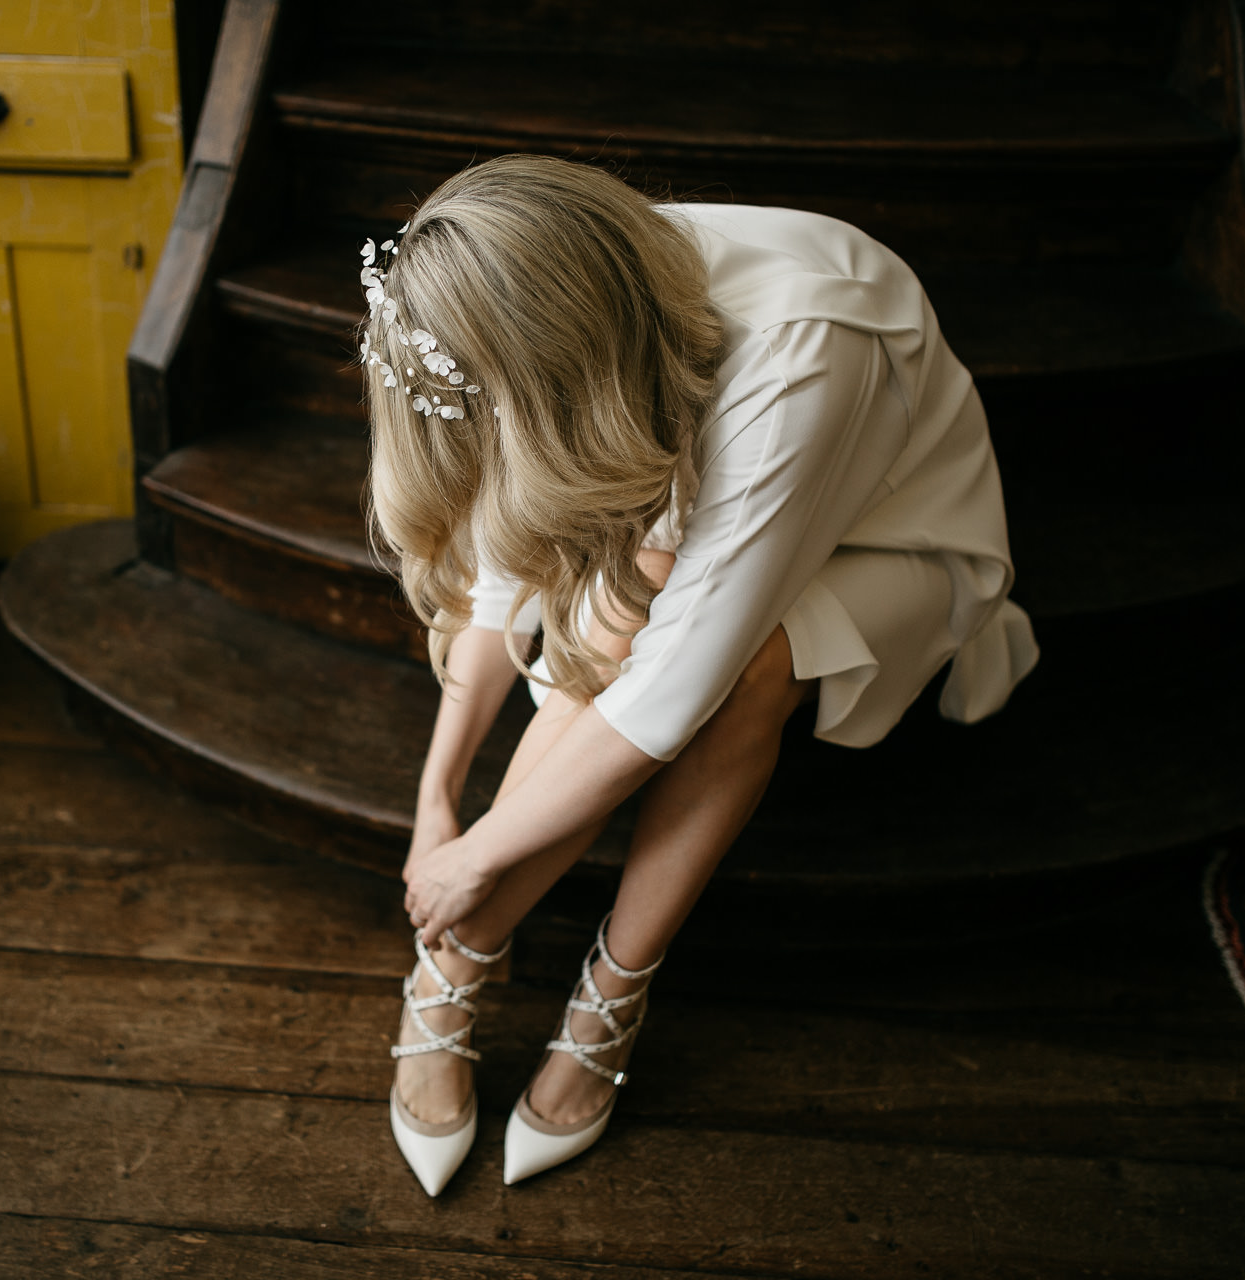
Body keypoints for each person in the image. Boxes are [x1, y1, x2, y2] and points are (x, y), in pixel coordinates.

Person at [361, 155, 1039, 1195]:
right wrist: (435, 798)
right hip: (689, 492)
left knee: (753, 665)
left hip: (889, 534)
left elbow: (674, 690)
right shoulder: (548, 284)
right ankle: (453, 972)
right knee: (620, 603)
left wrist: (472, 859)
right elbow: (509, 557)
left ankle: (600, 997)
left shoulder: (804, 354)